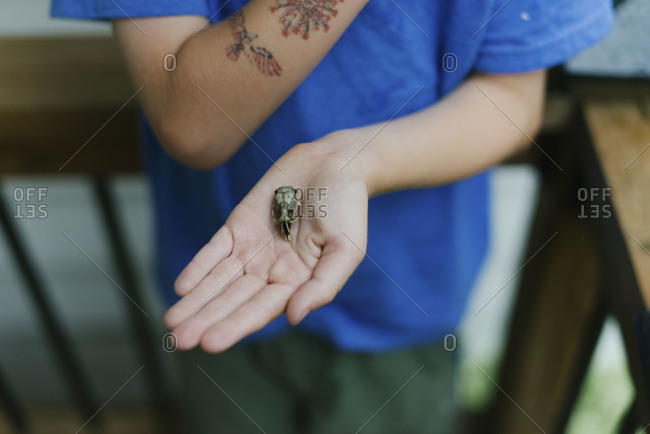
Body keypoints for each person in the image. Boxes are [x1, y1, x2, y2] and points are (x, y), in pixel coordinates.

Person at [52, 1, 613, 432]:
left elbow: (513, 96)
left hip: (409, 299)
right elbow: (191, 119)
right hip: (223, 283)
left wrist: (356, 161)